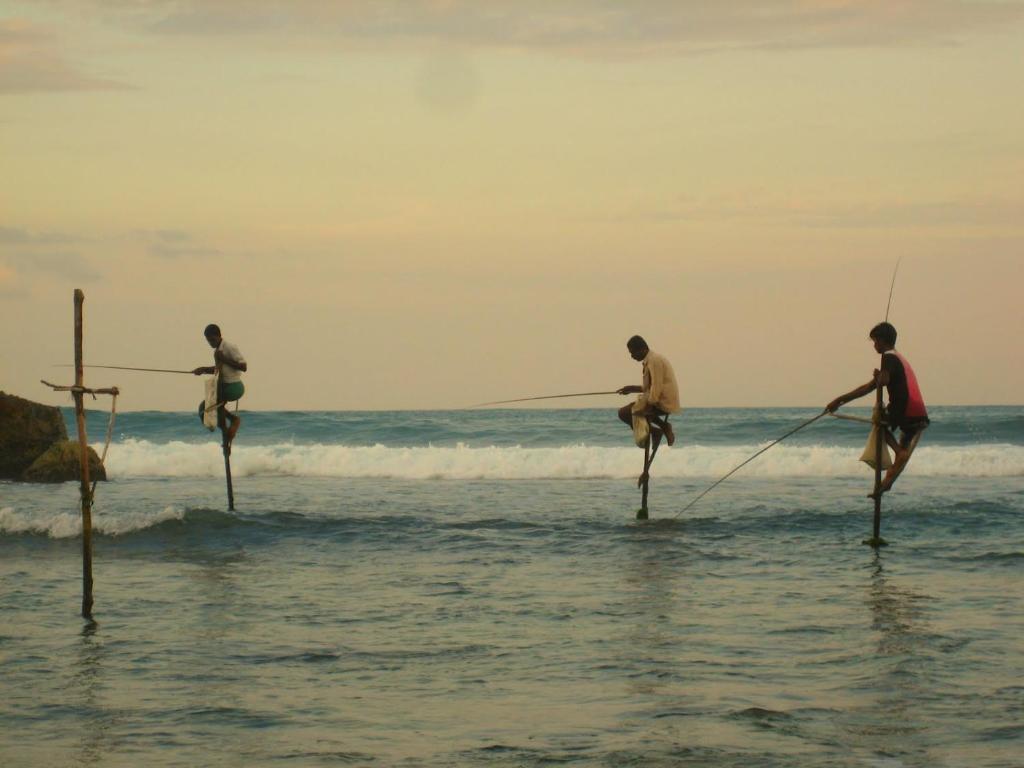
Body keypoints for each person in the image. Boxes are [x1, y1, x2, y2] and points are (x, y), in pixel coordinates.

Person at [827, 322, 928, 497]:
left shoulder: (888, 357)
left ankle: (898, 451)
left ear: (882, 340)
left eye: (875, 341)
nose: (874, 345)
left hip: (904, 411)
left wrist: (880, 377)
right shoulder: (899, 358)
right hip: (918, 415)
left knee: (878, 423)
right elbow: (868, 387)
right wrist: (840, 400)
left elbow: (882, 382)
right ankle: (884, 486)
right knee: (898, 462)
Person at [617, 335, 681, 449]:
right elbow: (649, 387)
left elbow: (656, 387)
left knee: (624, 413)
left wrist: (646, 406)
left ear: (643, 349)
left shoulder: (654, 361)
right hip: (659, 399)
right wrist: (631, 388)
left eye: (633, 353)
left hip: (663, 402)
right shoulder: (650, 360)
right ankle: (662, 427)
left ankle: (656, 431)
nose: (632, 356)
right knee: (634, 410)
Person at [192, 324, 247, 443]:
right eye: (208, 341)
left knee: (214, 405)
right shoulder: (218, 350)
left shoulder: (229, 347)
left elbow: (244, 367)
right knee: (204, 408)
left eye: (212, 340)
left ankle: (233, 421)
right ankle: (225, 430)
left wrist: (224, 358)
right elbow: (220, 369)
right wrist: (203, 369)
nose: (211, 343)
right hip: (223, 386)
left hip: (233, 386)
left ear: (219, 336)